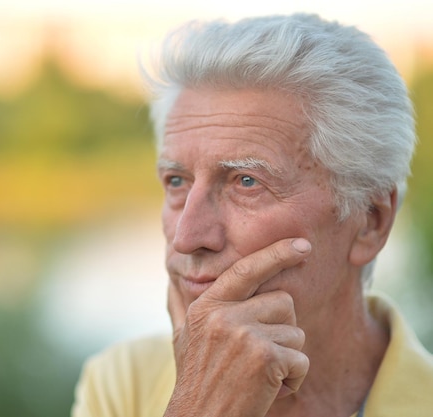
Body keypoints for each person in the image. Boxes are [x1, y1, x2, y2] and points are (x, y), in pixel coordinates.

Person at [71, 13, 433, 417]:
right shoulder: (122, 383)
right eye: (177, 181)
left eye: (246, 181)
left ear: (370, 221)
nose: (186, 237)